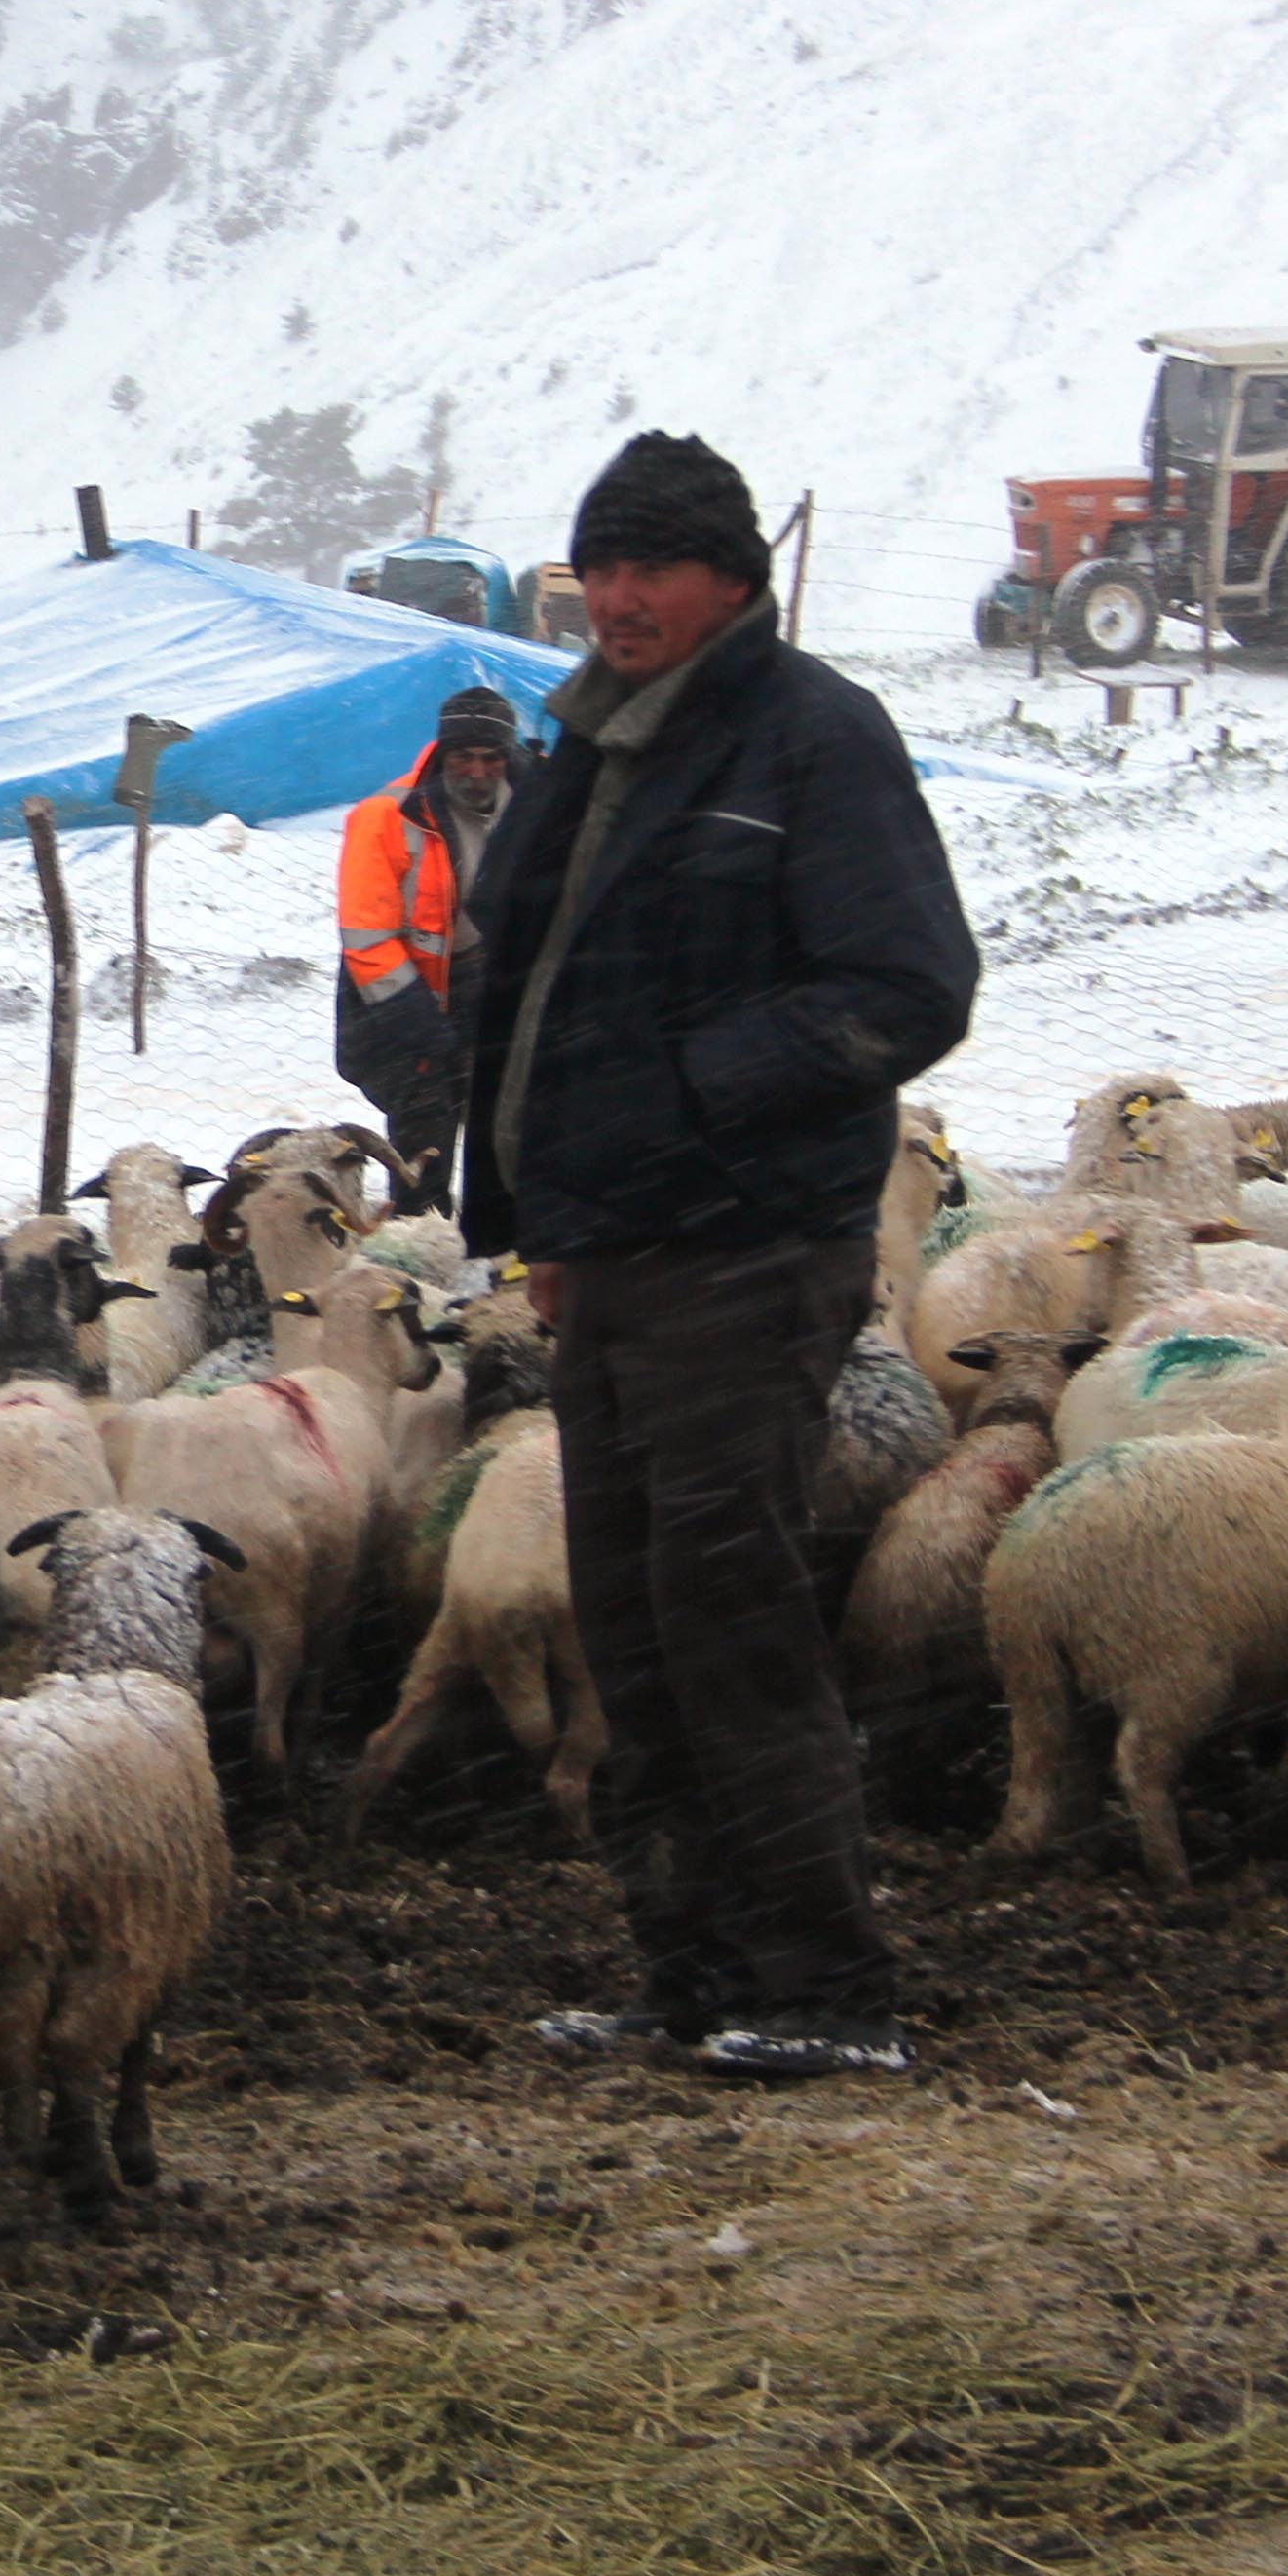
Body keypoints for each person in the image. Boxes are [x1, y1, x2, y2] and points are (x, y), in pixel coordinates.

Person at [451, 432, 979, 2084]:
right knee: (633, 1619)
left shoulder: (806, 739)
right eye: (598, 565)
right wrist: (539, 1207)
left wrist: (693, 1095)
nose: (617, 595)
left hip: (745, 1246)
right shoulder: (587, 741)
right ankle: (685, 1973)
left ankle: (823, 1985)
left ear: (730, 582)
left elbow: (906, 985)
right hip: (610, 1254)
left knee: (727, 1614)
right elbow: (540, 984)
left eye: (653, 567)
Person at [331, 683, 528, 1189]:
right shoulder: (384, 818)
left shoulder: (535, 805)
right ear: (443, 754)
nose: (478, 772)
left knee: (515, 1115)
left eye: (491, 758)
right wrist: (419, 1021)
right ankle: (420, 1227)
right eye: (464, 757)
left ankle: (506, 1237)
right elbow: (367, 938)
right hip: (400, 992)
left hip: (493, 979)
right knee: (426, 1122)